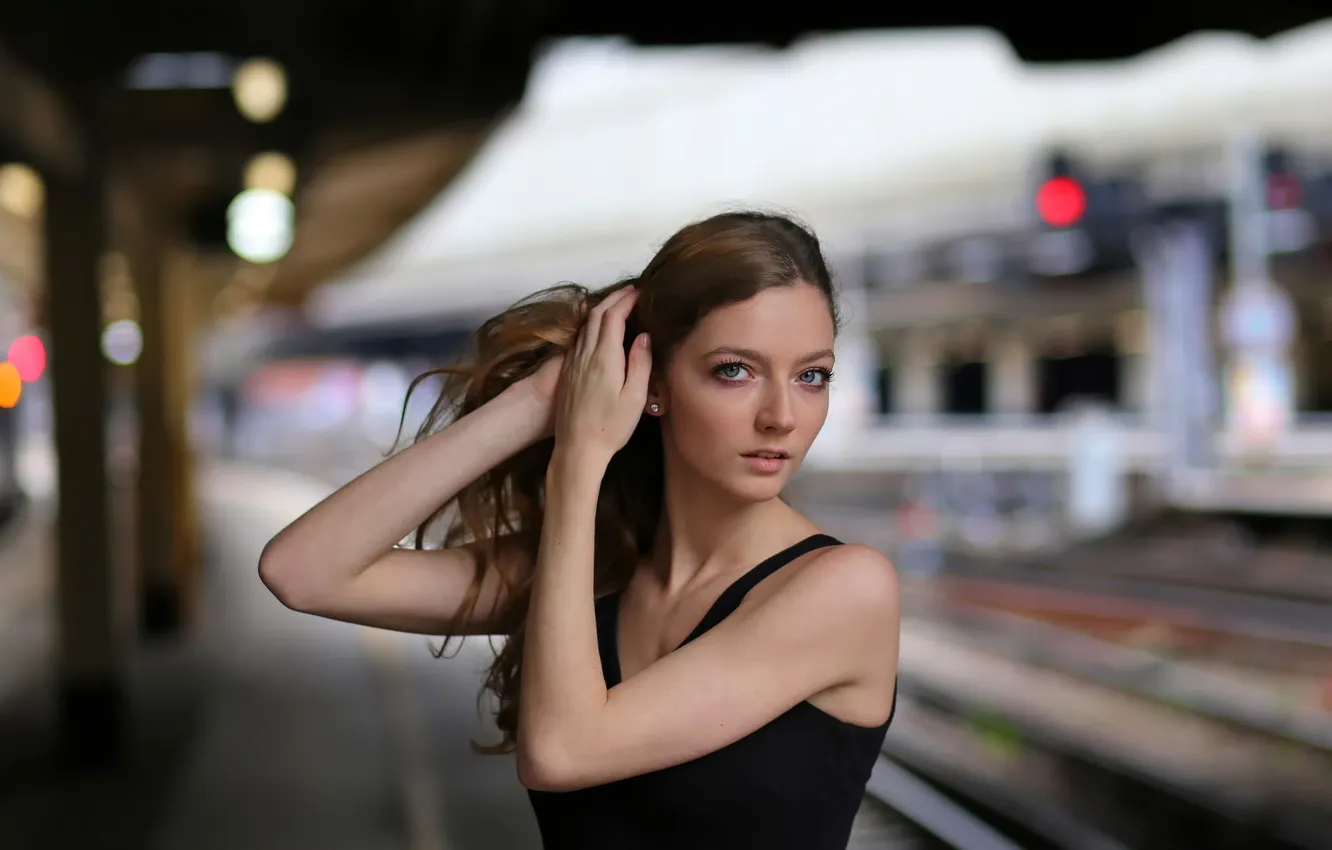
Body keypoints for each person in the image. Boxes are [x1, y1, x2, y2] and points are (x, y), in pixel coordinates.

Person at [259, 211, 900, 849]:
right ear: (652, 383)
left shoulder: (844, 590)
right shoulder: (594, 567)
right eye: (736, 370)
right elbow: (303, 572)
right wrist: (541, 402)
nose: (782, 416)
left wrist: (579, 460)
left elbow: (562, 752)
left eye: (811, 375)